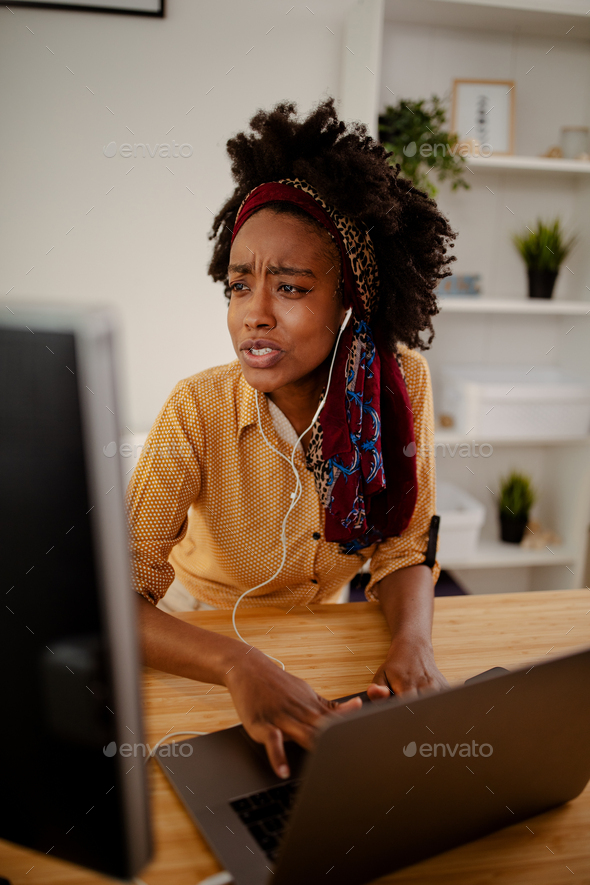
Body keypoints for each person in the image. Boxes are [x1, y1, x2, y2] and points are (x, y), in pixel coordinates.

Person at [127, 98, 457, 779]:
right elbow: (113, 599)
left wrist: (414, 641)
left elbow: (402, 546)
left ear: (349, 301)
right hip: (200, 642)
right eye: (240, 284)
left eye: (291, 287)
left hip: (326, 638)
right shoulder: (196, 408)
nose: (256, 314)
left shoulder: (403, 387)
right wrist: (237, 662)